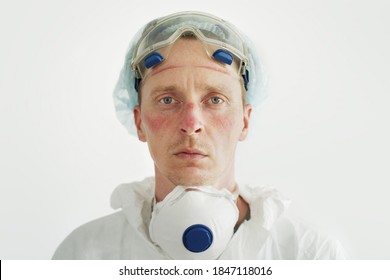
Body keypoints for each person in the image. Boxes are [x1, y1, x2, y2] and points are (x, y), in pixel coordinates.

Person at [52, 11, 347, 260]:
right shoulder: (84, 254)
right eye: (168, 100)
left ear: (244, 121)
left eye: (215, 100)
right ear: (139, 121)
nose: (191, 123)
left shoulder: (309, 255)